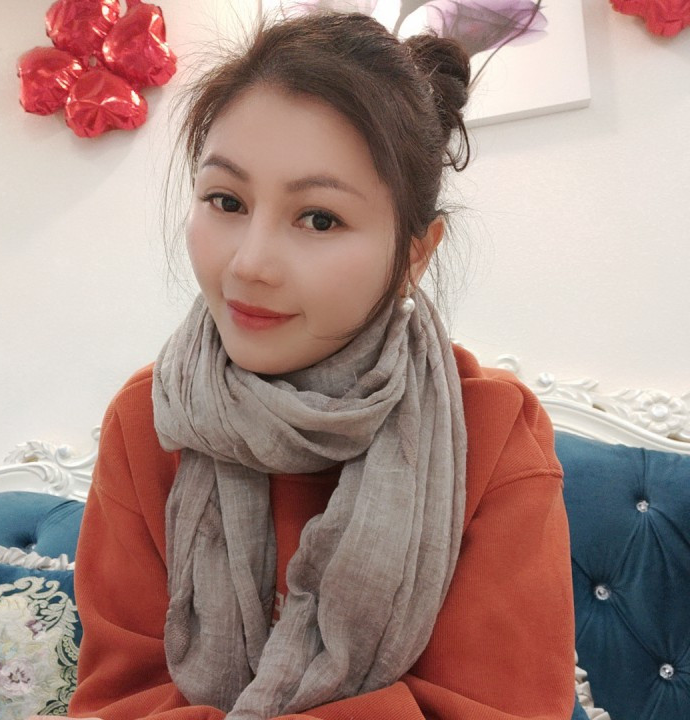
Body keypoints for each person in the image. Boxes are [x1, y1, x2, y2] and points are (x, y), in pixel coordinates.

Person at [38, 10, 576, 720]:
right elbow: (121, 699)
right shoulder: (147, 421)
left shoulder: (495, 430)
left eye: (319, 218)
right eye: (226, 201)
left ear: (415, 254)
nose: (250, 264)